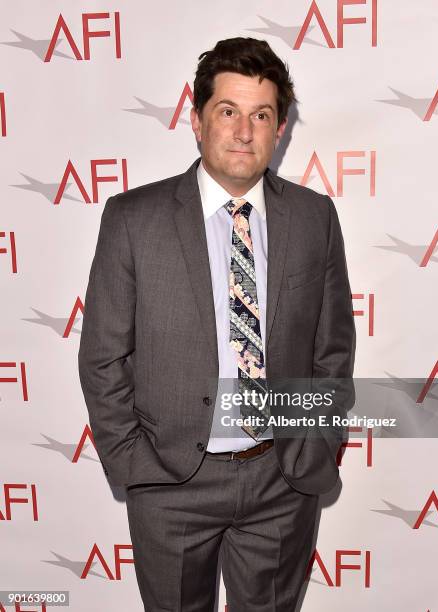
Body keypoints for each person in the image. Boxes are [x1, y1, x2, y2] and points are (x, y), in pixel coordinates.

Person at [78, 37, 356, 612]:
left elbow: (332, 351)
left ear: (280, 128)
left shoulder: (314, 217)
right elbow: (103, 357)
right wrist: (139, 467)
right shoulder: (134, 219)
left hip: (281, 480)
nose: (244, 131)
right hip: (170, 483)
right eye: (228, 111)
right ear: (197, 118)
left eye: (262, 115)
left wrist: (316, 443)